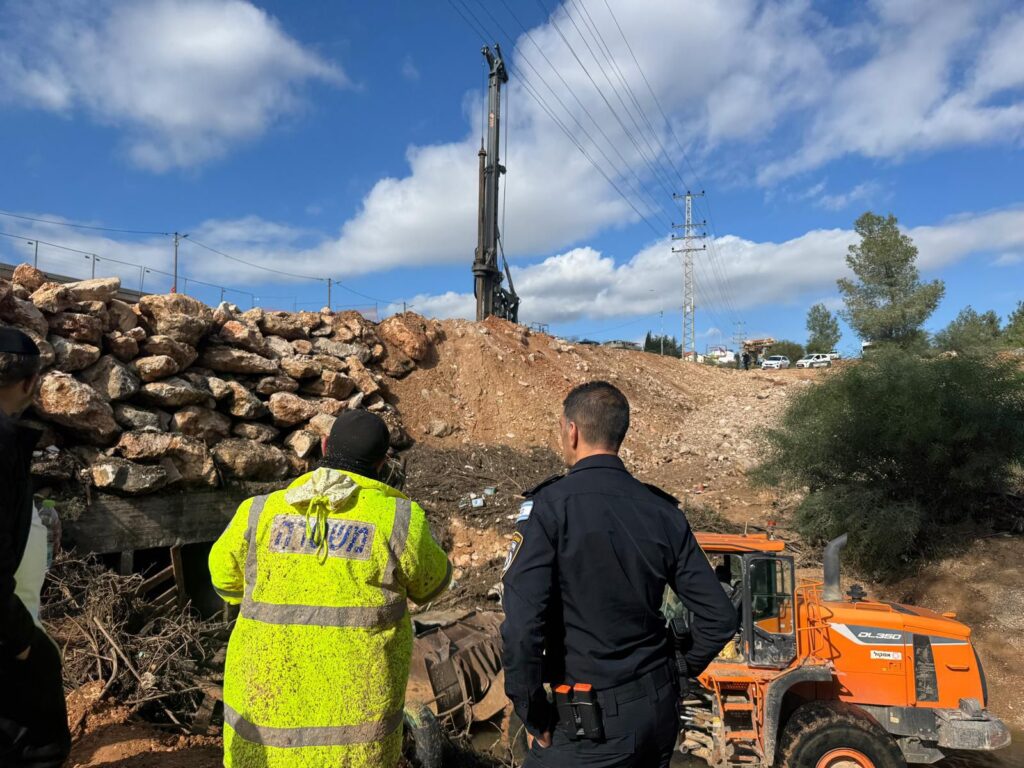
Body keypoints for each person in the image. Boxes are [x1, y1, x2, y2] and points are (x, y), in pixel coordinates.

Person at [501, 381, 738, 768]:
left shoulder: (548, 509)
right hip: (657, 715)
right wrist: (677, 670)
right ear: (619, 435)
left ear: (572, 430)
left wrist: (532, 712)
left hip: (589, 727)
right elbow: (720, 617)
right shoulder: (663, 512)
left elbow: (522, 628)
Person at [209, 410, 452, 768]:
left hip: (263, 727)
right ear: (383, 461)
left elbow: (224, 581)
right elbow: (432, 584)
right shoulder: (399, 519)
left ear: (323, 447)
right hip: (354, 744)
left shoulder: (258, 512)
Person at [0, 328, 71, 768]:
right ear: (30, 383)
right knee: (32, 748)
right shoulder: (4, 443)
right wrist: (21, 641)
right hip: (7, 633)